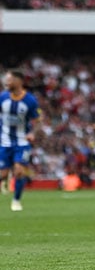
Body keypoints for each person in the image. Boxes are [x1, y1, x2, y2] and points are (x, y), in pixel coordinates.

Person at [0, 70, 40, 211]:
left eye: (9, 80)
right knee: (2, 174)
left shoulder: (30, 100)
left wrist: (32, 133)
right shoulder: (3, 97)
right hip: (4, 141)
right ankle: (4, 181)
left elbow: (36, 120)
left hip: (22, 142)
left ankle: (16, 200)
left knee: (19, 171)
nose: (6, 82)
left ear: (19, 81)